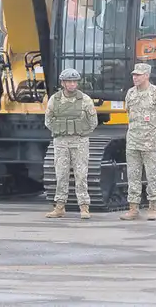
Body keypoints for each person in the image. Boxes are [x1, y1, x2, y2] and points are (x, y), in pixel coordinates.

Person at [44, 68, 98, 219]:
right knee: (61, 174)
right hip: (61, 142)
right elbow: (48, 121)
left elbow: (93, 121)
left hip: (79, 142)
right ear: (63, 83)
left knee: (81, 175)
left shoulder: (85, 100)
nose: (72, 84)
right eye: (69, 82)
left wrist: (80, 132)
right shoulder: (55, 100)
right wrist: (62, 131)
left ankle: (84, 207)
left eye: (75, 81)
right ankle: (60, 206)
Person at [120, 62, 156, 221]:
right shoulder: (130, 93)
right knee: (133, 175)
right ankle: (133, 208)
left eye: (138, 75)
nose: (135, 78)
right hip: (133, 141)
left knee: (152, 175)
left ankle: (152, 207)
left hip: (151, 142)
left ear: (147, 76)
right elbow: (129, 114)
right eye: (134, 75)